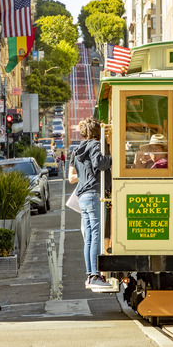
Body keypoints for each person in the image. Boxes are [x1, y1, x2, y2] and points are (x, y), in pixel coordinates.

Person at [69, 117, 112, 289]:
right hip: (94, 194)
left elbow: (75, 174)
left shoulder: (78, 149)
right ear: (97, 132)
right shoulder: (95, 145)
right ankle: (95, 275)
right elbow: (99, 164)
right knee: (95, 235)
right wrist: (112, 159)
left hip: (83, 196)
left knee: (88, 237)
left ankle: (89, 273)